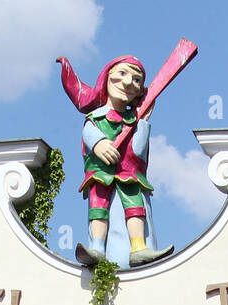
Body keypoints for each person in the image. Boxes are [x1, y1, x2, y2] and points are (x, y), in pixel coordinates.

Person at [57, 54, 175, 269]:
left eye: (137, 79)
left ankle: (139, 247)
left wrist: (143, 123)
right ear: (107, 76)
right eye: (122, 73)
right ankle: (97, 248)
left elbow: (138, 151)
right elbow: (90, 133)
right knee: (98, 210)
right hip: (101, 176)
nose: (128, 82)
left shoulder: (134, 122)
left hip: (128, 177)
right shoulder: (97, 117)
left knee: (135, 208)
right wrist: (99, 143)